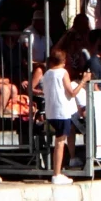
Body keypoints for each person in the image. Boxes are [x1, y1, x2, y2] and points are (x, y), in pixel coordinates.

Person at [39, 53, 83, 185]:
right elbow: (72, 93)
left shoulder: (47, 74)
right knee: (60, 142)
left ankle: (57, 172)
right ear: (63, 61)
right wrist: (83, 81)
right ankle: (56, 174)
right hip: (62, 111)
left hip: (51, 111)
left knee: (60, 140)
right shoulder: (63, 72)